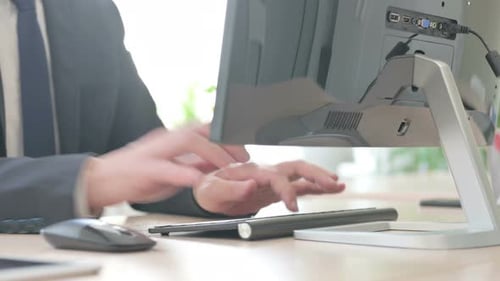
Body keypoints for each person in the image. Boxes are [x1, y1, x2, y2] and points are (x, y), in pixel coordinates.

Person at [0, 0, 345, 226]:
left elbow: (135, 153)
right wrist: (87, 180)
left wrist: (201, 188)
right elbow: (105, 174)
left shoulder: (89, 11)